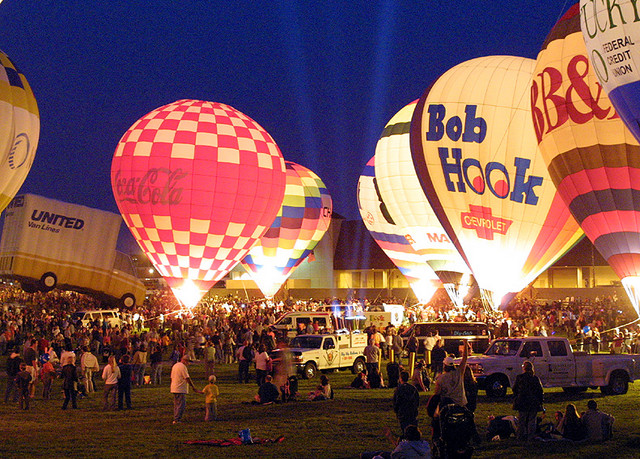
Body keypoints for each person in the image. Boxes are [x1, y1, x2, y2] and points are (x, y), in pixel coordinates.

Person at [511, 360, 544, 441]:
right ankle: (530, 436)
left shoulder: (520, 378)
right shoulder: (535, 378)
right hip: (533, 402)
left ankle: (520, 436)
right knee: (532, 420)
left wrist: (517, 397)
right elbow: (540, 391)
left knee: (521, 420)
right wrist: (540, 401)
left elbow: (514, 389)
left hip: (522, 402)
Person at [433, 343, 468, 408]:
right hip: (461, 403)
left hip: (448, 405)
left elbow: (436, 393)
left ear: (444, 365)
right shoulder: (459, 372)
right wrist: (465, 344)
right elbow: (465, 358)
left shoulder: (441, 378)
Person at [170, 355, 201, 424]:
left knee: (176, 404)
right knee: (181, 405)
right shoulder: (183, 367)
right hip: (180, 388)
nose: (188, 364)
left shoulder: (175, 365)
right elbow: (187, 378)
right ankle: (177, 419)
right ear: (185, 360)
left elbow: (172, 377)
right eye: (188, 362)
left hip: (174, 387)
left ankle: (175, 418)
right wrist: (193, 387)